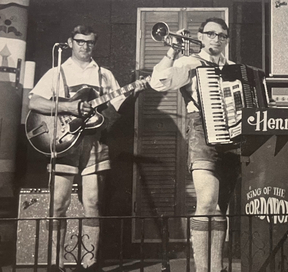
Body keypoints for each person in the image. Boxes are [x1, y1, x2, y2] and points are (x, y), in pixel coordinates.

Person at [29, 25, 128, 272]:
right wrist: (69, 108)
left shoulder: (104, 74)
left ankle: (90, 263)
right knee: (58, 203)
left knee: (93, 202)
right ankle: (55, 263)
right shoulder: (57, 71)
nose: (85, 46)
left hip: (95, 142)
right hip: (62, 142)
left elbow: (117, 106)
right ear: (70, 42)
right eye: (81, 41)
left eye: (90, 42)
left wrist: (131, 93)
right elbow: (34, 101)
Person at [149, 17, 239, 272]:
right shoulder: (189, 63)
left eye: (222, 35)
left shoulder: (233, 68)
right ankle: (202, 269)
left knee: (221, 206)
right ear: (200, 36)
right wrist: (173, 49)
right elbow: (159, 82)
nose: (216, 39)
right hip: (201, 131)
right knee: (207, 200)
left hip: (231, 135)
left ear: (227, 39)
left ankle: (216, 267)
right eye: (210, 34)